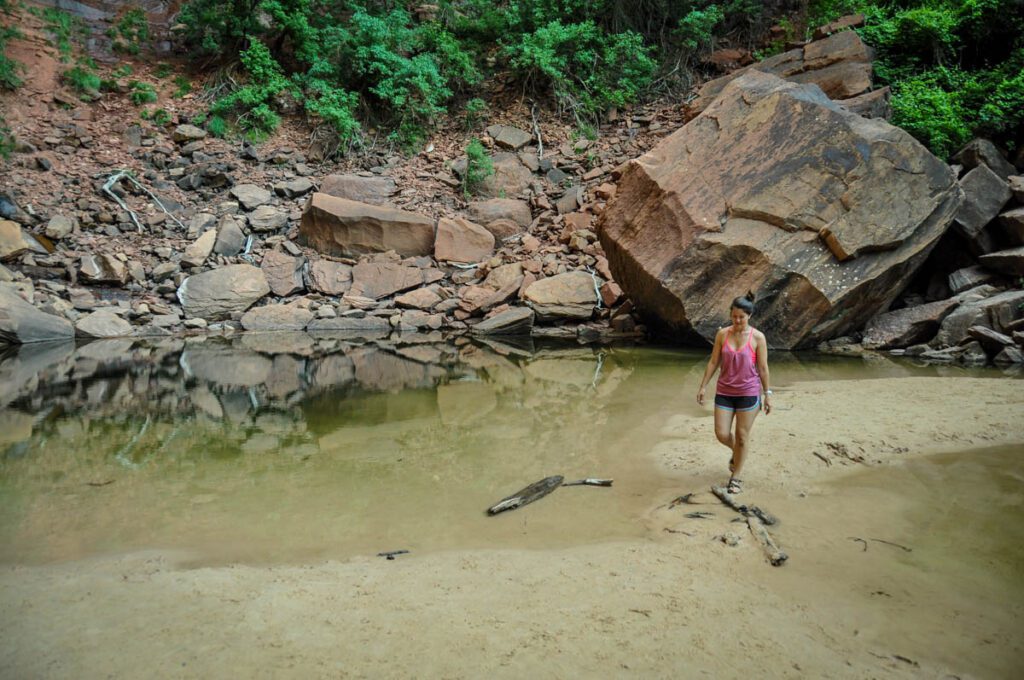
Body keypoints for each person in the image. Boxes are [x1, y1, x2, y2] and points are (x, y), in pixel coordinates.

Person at [696, 295, 772, 494]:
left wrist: (768, 394)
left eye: (742, 317)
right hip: (725, 391)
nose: (737, 321)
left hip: (748, 392)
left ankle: (735, 477)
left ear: (750, 316)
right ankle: (737, 453)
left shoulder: (758, 338)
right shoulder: (722, 334)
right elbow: (714, 362)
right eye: (734, 316)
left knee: (741, 436)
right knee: (722, 434)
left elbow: (763, 368)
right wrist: (703, 386)